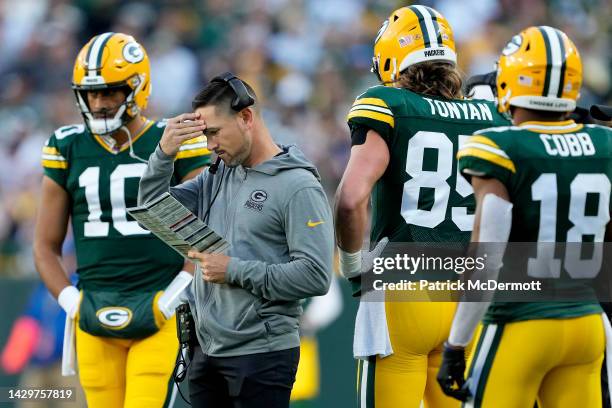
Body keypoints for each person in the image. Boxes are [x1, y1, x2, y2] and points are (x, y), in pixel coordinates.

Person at [334, 5, 510, 408]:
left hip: (402, 289)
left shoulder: (387, 102)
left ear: (391, 57)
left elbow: (350, 198)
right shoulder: (490, 114)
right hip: (468, 296)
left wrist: (351, 265)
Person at [33, 32, 210, 408]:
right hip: (95, 310)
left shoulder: (172, 139)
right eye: (91, 93)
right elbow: (44, 246)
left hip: (159, 305)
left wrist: (174, 297)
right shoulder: (66, 145)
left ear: (137, 87)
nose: (98, 103)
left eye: (109, 92)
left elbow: (206, 232)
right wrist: (72, 301)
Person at [137, 72, 334, 408]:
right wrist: (163, 154)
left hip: (262, 353)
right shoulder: (219, 175)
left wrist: (234, 270)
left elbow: (316, 275)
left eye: (214, 132)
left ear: (246, 117)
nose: (210, 145)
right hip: (205, 350)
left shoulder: (298, 185)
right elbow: (153, 210)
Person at [438, 26, 611, 407]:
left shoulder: (501, 146)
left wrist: (456, 343)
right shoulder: (605, 143)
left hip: (522, 322)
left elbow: (487, 257)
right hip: (587, 323)